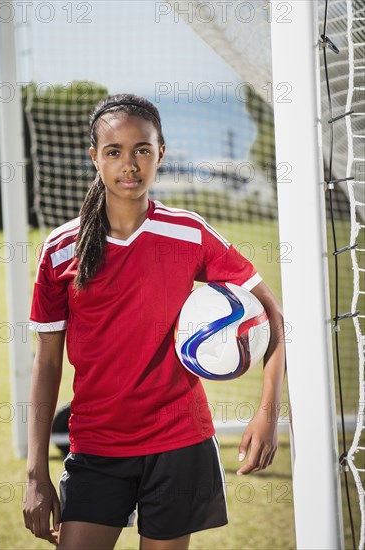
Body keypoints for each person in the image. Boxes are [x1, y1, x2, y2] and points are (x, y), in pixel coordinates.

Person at [23, 93, 285, 550]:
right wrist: (35, 475)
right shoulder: (61, 248)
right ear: (94, 157)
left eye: (143, 149)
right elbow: (47, 365)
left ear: (161, 152)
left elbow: (273, 315)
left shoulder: (188, 233)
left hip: (178, 440)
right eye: (114, 151)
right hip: (97, 444)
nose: (130, 164)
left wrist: (268, 411)